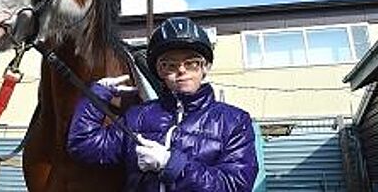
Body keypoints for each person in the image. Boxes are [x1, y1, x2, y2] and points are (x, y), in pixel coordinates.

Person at [67, 17, 258, 191]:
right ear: (159, 71)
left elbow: (236, 185)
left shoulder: (235, 121)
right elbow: (83, 145)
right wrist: (97, 95)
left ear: (205, 67)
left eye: (192, 63)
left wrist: (171, 164)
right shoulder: (137, 117)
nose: (181, 71)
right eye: (169, 65)